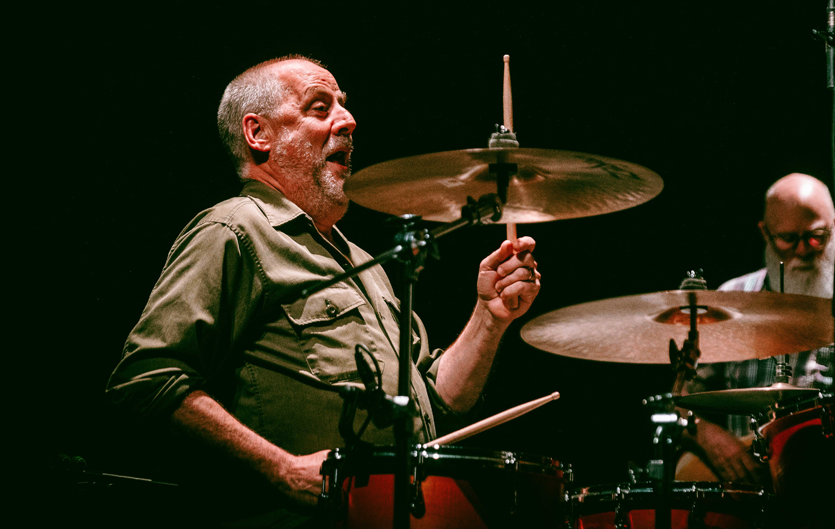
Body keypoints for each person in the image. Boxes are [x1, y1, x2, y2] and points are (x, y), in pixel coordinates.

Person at [106, 55, 541, 524]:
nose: (348, 120)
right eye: (319, 107)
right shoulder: (234, 230)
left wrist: (489, 317)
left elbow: (438, 399)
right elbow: (145, 381)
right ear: (259, 135)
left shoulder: (364, 262)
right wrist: (281, 470)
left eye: (344, 105)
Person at [680, 173, 835, 486]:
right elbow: (683, 402)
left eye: (816, 236)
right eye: (787, 239)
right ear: (764, 233)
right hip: (753, 492)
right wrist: (708, 436)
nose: (803, 251)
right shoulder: (732, 300)